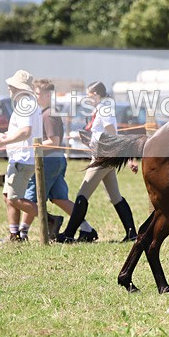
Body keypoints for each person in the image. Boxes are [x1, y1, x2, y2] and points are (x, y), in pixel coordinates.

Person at [57, 80, 138, 243]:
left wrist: (128, 157)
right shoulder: (102, 108)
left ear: (95, 94)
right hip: (104, 155)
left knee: (82, 194)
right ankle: (132, 234)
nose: (88, 99)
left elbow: (112, 133)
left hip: (103, 157)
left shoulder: (104, 109)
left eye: (89, 96)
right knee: (115, 197)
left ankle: (69, 234)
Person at [18, 78, 96, 241]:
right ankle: (87, 229)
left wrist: (32, 146)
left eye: (37, 94)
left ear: (47, 95)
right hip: (56, 161)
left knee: (32, 198)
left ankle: (22, 232)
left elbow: (54, 141)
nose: (35, 96)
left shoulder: (48, 115)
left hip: (48, 162)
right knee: (59, 198)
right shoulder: (48, 112)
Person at [0, 69, 44, 243]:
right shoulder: (29, 103)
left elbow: (26, 132)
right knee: (8, 196)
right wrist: (3, 136)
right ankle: (14, 235)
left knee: (14, 197)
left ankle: (50, 220)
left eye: (11, 86)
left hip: (23, 158)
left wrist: (3, 142)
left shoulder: (24, 104)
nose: (9, 89)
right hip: (20, 156)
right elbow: (19, 132)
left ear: (18, 87)